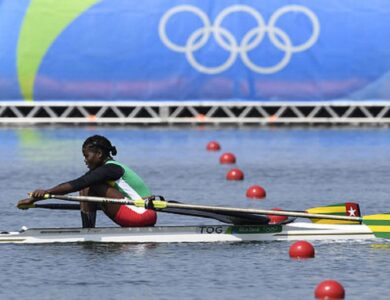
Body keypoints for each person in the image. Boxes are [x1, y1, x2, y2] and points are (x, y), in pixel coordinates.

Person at [17, 135, 157, 228]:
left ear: (99, 154)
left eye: (87, 156)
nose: (85, 160)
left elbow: (78, 183)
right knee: (87, 185)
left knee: (87, 186)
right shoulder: (110, 169)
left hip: (141, 215)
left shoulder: (111, 169)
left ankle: (88, 232)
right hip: (144, 213)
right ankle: (89, 231)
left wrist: (45, 193)